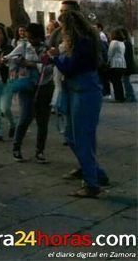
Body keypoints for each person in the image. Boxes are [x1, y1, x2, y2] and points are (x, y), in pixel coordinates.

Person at [48, 11, 109, 198]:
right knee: (75, 135)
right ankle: (95, 172)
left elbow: (71, 67)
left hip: (83, 92)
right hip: (81, 91)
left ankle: (92, 182)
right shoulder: (87, 41)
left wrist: (55, 57)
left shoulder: (82, 43)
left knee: (81, 137)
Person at [11, 23, 53, 163]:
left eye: (32, 38)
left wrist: (31, 64)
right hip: (26, 85)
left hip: (43, 86)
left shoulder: (47, 49)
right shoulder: (23, 46)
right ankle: (16, 147)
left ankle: (40, 151)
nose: (30, 40)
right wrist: (17, 62)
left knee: (43, 121)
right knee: (25, 117)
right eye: (28, 37)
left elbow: (49, 68)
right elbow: (11, 58)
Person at [106, 29, 127, 102]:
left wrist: (107, 62)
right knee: (119, 81)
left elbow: (110, 53)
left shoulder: (113, 42)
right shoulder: (122, 43)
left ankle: (118, 97)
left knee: (115, 82)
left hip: (115, 64)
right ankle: (121, 96)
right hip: (122, 64)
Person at [119, 27, 136, 102]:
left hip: (127, 65)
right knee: (126, 81)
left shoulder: (126, 43)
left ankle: (131, 96)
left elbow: (125, 55)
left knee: (126, 81)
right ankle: (130, 95)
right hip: (128, 65)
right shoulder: (127, 43)